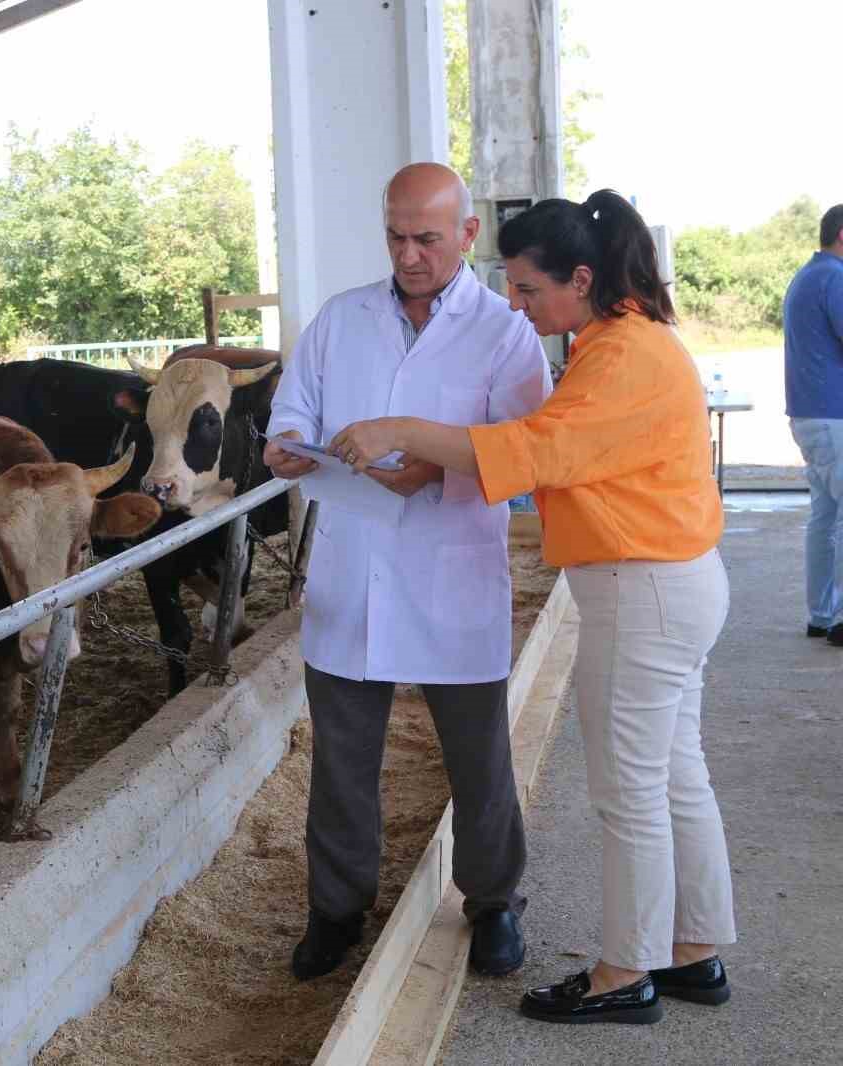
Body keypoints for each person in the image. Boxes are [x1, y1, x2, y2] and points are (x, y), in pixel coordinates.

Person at [329, 189, 735, 1025]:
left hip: (640, 586)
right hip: (670, 579)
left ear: (580, 277)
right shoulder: (621, 339)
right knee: (673, 775)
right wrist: (440, 461)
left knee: (629, 790)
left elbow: (536, 451)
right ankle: (694, 950)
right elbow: (547, 453)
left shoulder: (620, 352)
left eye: (527, 290)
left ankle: (624, 973)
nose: (516, 305)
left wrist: (400, 426)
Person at [262, 162, 552, 982]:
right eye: (396, 235)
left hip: (451, 571)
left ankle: (493, 900)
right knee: (342, 759)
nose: (410, 254)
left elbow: (524, 454)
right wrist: (284, 450)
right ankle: (337, 909)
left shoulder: (504, 331)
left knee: (478, 757)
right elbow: (295, 411)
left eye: (428, 237)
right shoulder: (339, 319)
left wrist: (437, 469)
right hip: (354, 571)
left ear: (467, 234)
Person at [783, 203, 843, 646]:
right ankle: (838, 618)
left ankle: (822, 614)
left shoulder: (808, 275)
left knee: (824, 518)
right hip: (833, 416)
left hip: (810, 415)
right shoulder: (836, 278)